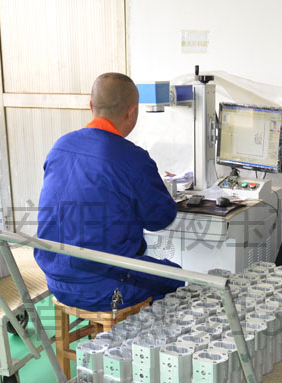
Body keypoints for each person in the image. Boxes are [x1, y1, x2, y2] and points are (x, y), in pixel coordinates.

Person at [34, 72, 183, 311]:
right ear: (132, 112)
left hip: (56, 279)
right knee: (175, 276)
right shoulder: (133, 159)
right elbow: (160, 220)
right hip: (105, 286)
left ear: (91, 106)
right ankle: (140, 334)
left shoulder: (60, 147)